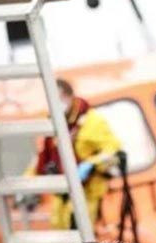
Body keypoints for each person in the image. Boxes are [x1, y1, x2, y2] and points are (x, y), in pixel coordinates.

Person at [30, 79, 123, 231]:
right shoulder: (53, 124)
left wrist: (91, 165)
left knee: (83, 238)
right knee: (64, 240)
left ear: (69, 96)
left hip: (87, 193)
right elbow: (40, 158)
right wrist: (29, 185)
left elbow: (114, 152)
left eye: (59, 98)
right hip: (61, 194)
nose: (55, 103)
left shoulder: (93, 122)